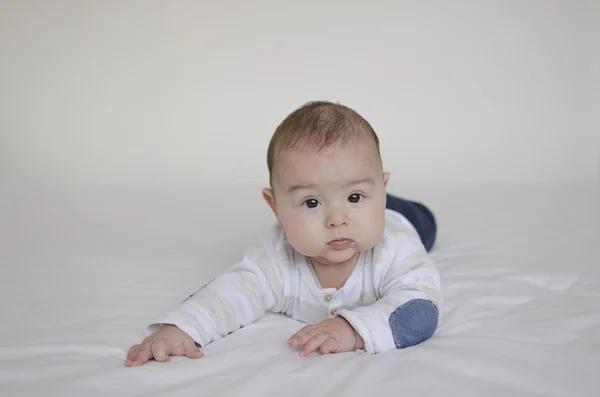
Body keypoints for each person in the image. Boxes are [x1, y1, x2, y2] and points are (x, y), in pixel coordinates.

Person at [125, 101, 442, 367]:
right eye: (312, 202)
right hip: (372, 211)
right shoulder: (275, 255)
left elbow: (420, 310)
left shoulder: (397, 248)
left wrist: (353, 329)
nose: (337, 219)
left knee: (426, 221)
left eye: (355, 197)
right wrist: (182, 328)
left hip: (403, 218)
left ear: (382, 189)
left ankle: (387, 203)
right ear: (275, 206)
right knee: (347, 194)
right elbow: (234, 291)